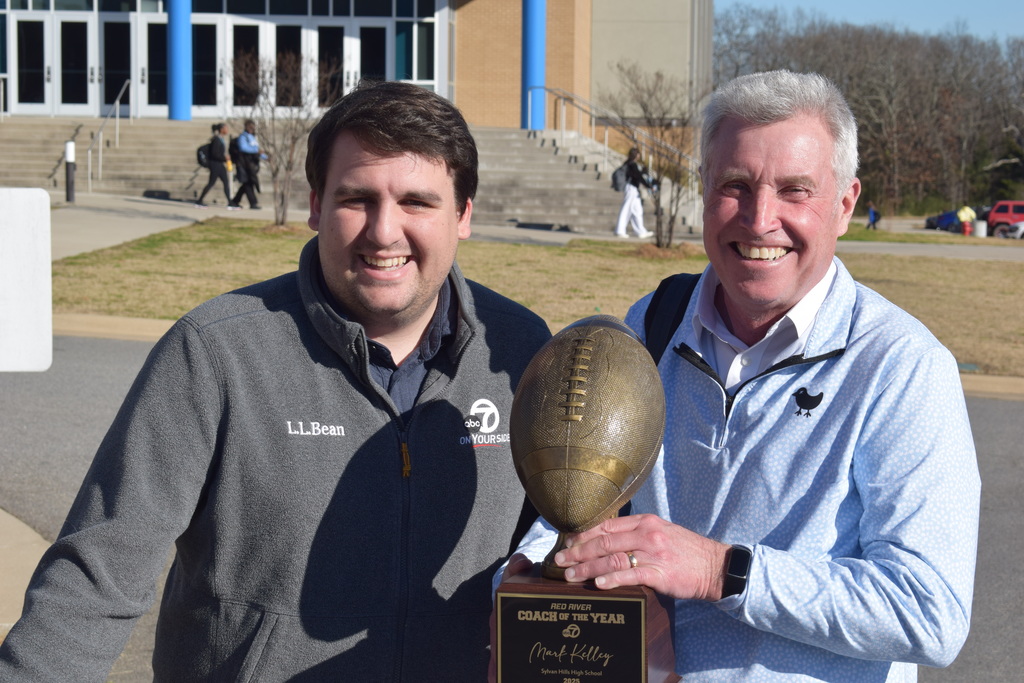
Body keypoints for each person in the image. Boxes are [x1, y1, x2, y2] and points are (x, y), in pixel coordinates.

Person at [0, 80, 552, 680]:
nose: (384, 231)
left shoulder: (521, 352)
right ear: (315, 205)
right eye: (355, 198)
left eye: (416, 202)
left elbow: (555, 549)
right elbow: (96, 578)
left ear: (463, 214)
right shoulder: (216, 352)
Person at [501, 70, 980, 681]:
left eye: (794, 190)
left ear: (845, 203)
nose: (759, 219)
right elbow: (582, 495)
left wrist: (719, 571)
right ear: (703, 189)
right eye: (736, 185)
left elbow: (928, 612)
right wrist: (528, 573)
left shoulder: (901, 367)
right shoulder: (652, 326)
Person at [614, 147, 655, 239]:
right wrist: (648, 185)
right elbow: (638, 177)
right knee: (626, 209)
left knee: (637, 211)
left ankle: (641, 231)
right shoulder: (632, 165)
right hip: (631, 189)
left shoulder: (629, 164)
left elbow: (636, 175)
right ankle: (619, 230)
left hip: (634, 189)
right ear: (636, 155)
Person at [195, 122, 238, 209]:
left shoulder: (221, 139)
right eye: (226, 128)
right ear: (221, 129)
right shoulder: (216, 140)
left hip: (220, 165)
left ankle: (230, 202)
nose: (227, 130)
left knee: (226, 182)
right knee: (211, 183)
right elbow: (214, 154)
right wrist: (224, 158)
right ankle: (199, 201)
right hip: (215, 164)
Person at [230, 118, 267, 210]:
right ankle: (253, 203)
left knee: (247, 184)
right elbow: (243, 148)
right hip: (243, 164)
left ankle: (234, 201)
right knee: (247, 183)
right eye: (250, 127)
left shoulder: (252, 137)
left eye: (253, 127)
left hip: (251, 164)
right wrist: (256, 151)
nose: (251, 128)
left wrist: (265, 157)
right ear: (246, 127)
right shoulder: (243, 137)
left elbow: (257, 150)